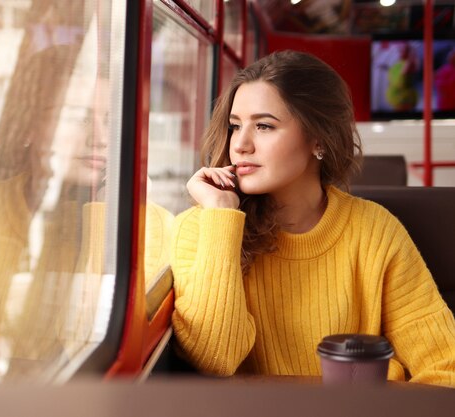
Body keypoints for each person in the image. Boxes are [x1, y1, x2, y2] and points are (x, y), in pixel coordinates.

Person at [171, 49, 455, 387]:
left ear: (317, 137)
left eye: (264, 126)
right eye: (235, 126)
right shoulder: (202, 227)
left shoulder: (375, 231)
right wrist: (220, 215)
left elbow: (445, 366)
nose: (240, 145)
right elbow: (215, 358)